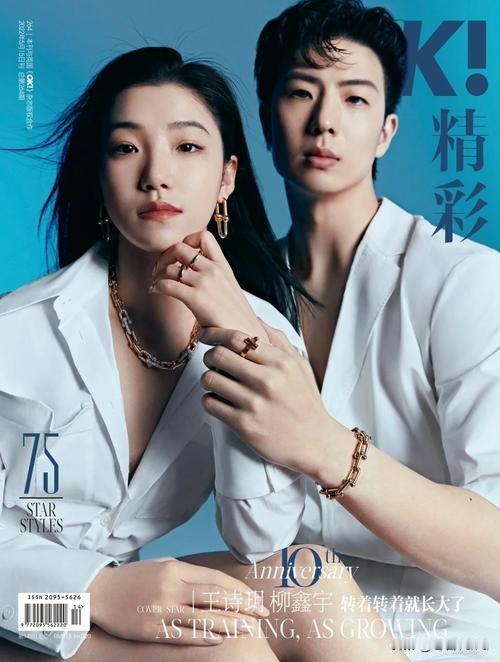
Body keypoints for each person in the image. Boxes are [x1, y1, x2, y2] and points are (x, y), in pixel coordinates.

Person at [0, 45, 403, 662]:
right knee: (228, 647)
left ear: (226, 177)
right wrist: (95, 593)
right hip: (23, 604)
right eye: (125, 148)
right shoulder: (17, 333)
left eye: (186, 146)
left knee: (311, 581)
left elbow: (259, 537)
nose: (155, 174)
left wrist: (236, 335)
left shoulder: (262, 334)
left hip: (123, 595)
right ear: (100, 176)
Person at [197, 1, 500, 659]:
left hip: (442, 638)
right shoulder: (240, 296)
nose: (325, 121)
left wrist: (324, 446)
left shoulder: (463, 280)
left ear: (386, 132)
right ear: (266, 121)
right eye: (301, 93)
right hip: (288, 630)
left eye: (355, 99)